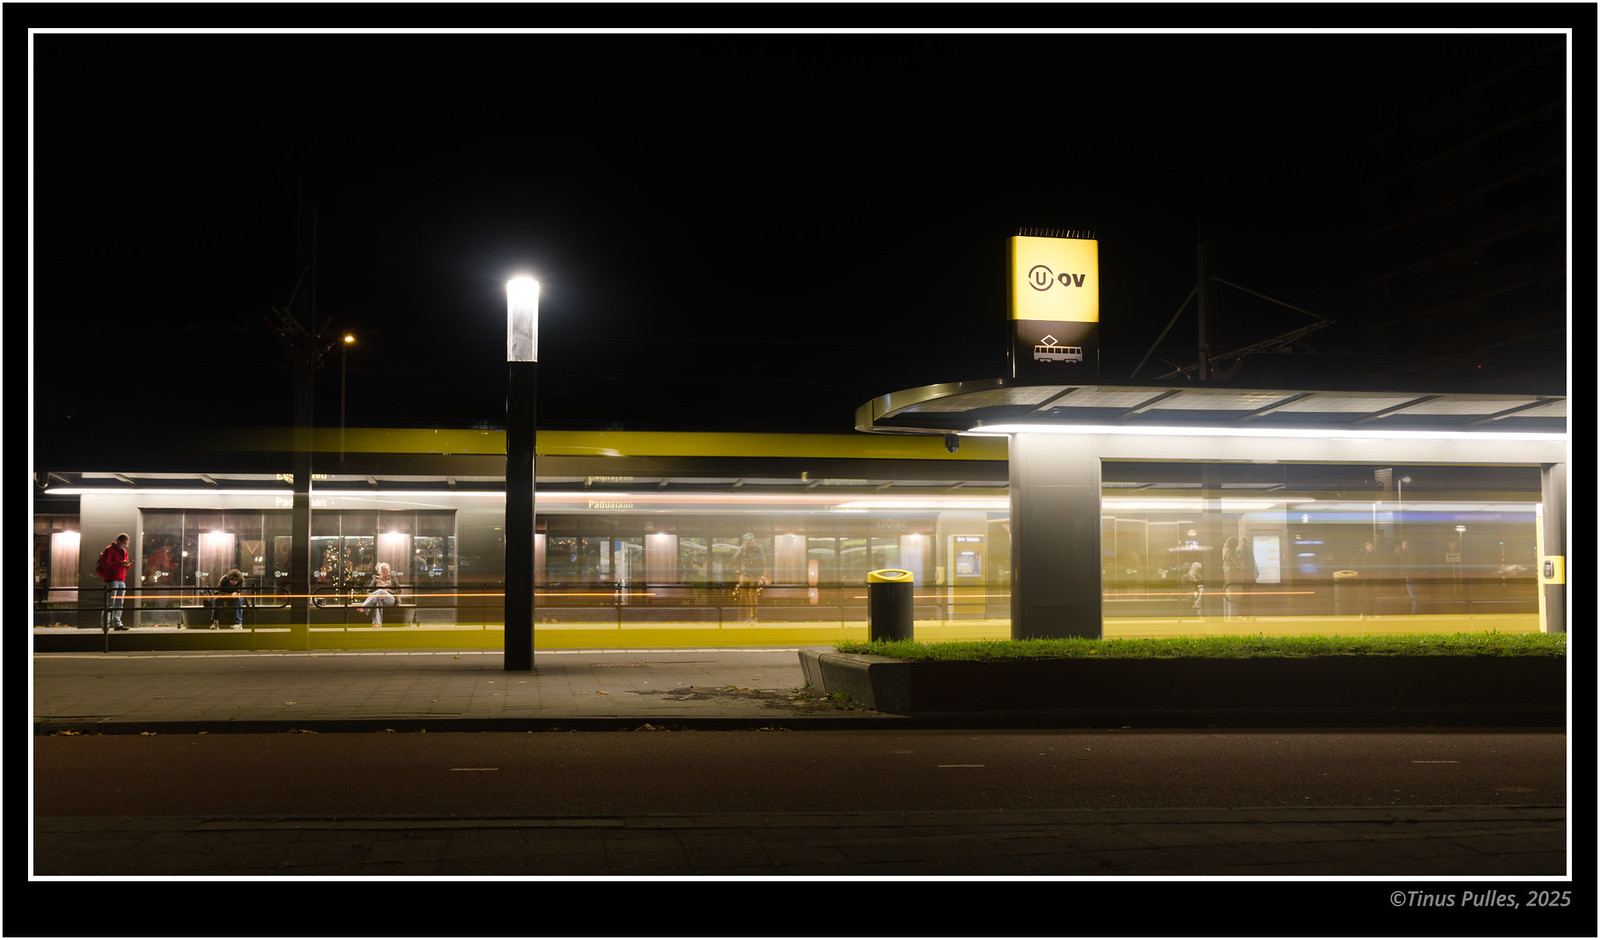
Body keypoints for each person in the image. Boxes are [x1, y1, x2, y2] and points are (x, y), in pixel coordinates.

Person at [95, 533, 132, 630]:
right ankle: (106, 624)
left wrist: (126, 564)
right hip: (112, 579)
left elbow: (124, 565)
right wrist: (121, 563)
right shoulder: (109, 550)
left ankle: (116, 623)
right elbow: (105, 564)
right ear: (118, 541)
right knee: (110, 603)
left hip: (120, 579)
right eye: (124, 543)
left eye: (126, 544)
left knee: (119, 603)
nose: (125, 546)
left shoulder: (122, 551)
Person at [730, 533, 768, 621]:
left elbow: (763, 560)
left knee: (752, 596)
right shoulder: (743, 548)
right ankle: (746, 616)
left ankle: (752, 617)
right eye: (747, 540)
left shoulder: (758, 548)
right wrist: (741, 549)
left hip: (754, 574)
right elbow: (734, 558)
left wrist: (761, 573)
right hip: (744, 574)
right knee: (744, 597)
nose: (749, 541)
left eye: (750, 539)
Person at [1222, 536, 1257, 621]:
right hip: (1235, 578)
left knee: (1229, 598)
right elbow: (1238, 566)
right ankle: (1233, 617)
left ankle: (1228, 617)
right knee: (1234, 598)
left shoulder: (1225, 551)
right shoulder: (1233, 552)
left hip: (1230, 578)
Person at [1350, 540, 1381, 619]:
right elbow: (1353, 566)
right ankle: (1363, 612)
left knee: (1371, 596)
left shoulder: (1372, 555)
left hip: (1370, 579)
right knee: (1364, 596)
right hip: (1363, 580)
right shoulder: (1360, 555)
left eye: (1373, 546)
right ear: (1366, 546)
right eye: (1371, 546)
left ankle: (1371, 612)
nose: (1372, 547)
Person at [1395, 539, 1421, 615]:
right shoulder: (1406, 554)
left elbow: (1409, 565)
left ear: (1407, 546)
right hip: (1408, 576)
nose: (1402, 546)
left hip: (1410, 576)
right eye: (1402, 545)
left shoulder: (1410, 555)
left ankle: (1415, 611)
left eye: (1404, 545)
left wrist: (1406, 574)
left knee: (1413, 595)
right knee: (1413, 594)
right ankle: (1415, 610)